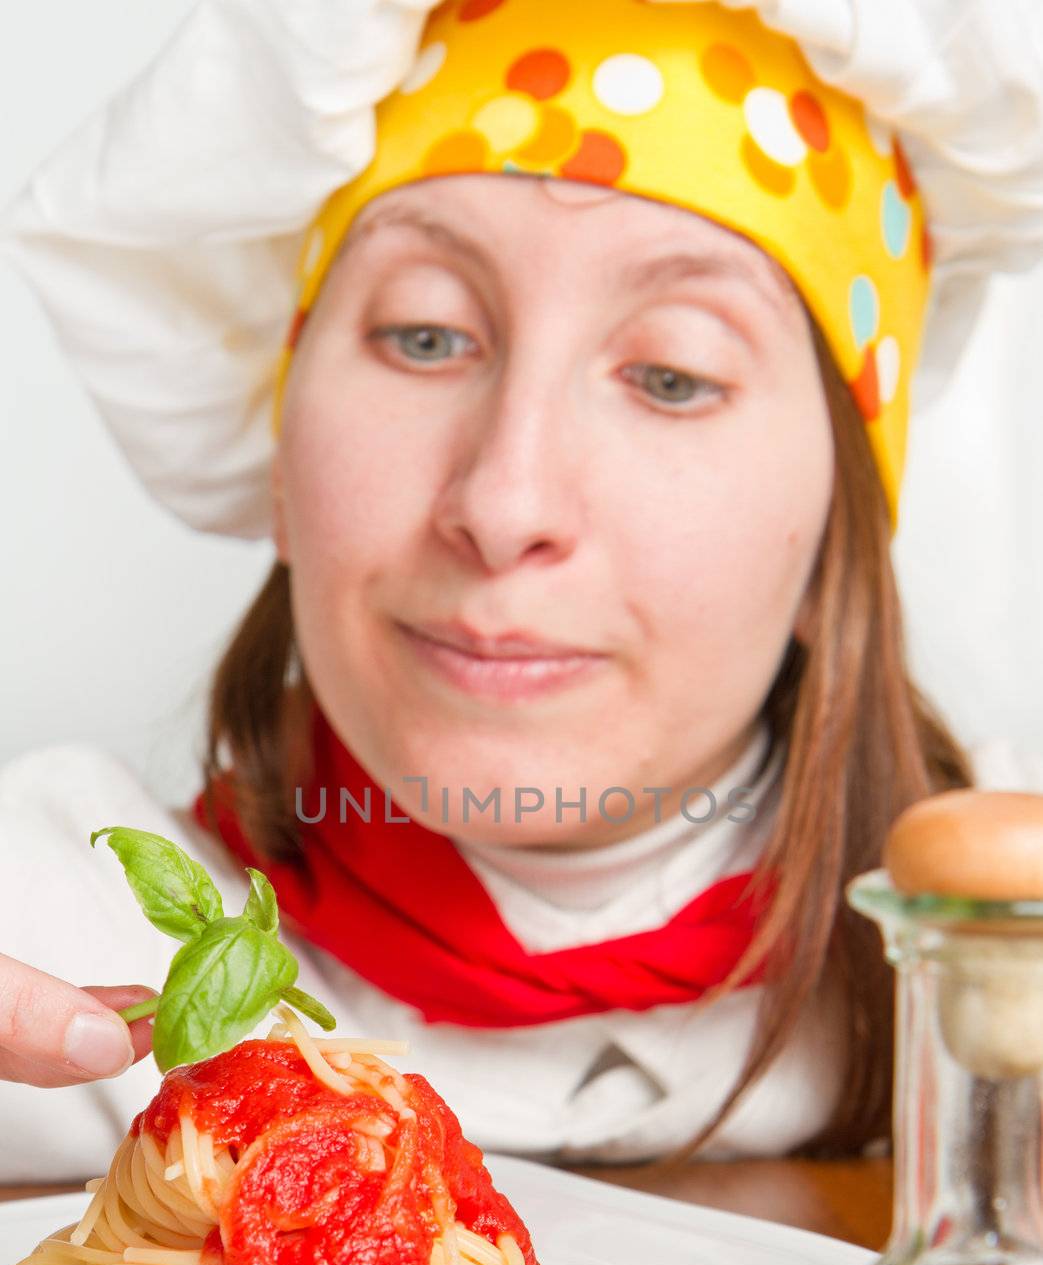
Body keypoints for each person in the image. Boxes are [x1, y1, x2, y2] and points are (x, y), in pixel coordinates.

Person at [1, 0, 1042, 1183]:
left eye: (670, 374)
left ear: (835, 550)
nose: (503, 504)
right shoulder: (61, 943)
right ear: (280, 463)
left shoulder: (1002, 959)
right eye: (426, 337)